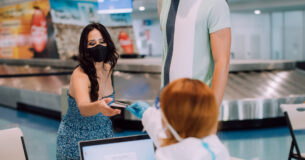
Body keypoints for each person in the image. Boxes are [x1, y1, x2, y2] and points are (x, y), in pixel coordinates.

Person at [56, 23, 121, 159]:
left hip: (104, 134)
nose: (98, 46)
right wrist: (99, 106)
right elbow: (84, 108)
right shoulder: (80, 75)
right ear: (85, 48)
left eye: (102, 42)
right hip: (76, 139)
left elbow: (107, 99)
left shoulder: (108, 69)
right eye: (92, 43)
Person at [127, 78, 230, 160]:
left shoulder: (170, 154)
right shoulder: (215, 146)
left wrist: (149, 114)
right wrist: (147, 113)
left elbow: (165, 137)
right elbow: (165, 133)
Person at [158, 0, 231, 106]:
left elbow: (222, 61)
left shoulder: (216, 3)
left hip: (197, 105)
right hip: (166, 101)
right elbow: (167, 52)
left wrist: (211, 110)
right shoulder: (165, 2)